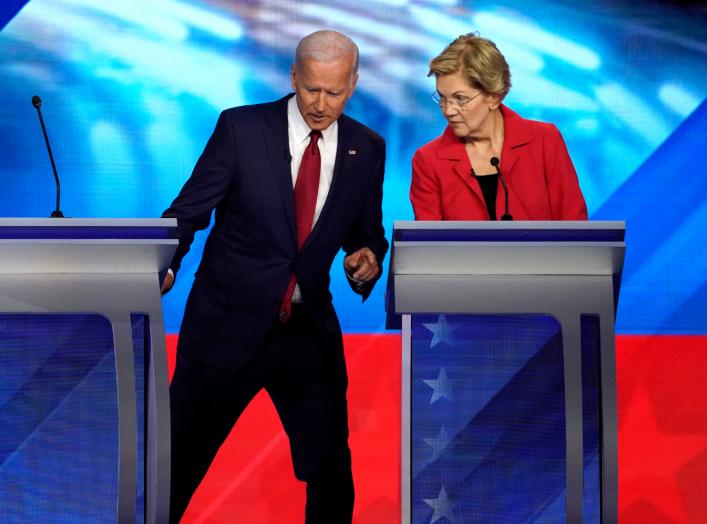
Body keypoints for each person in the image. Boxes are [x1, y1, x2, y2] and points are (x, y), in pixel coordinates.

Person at [160, 30, 388, 523]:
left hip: (307, 336)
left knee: (331, 472)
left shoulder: (367, 148)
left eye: (334, 92)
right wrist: (166, 262)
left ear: (353, 84)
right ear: (293, 77)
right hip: (226, 329)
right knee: (173, 467)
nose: (321, 105)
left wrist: (367, 256)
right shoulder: (241, 129)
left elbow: (366, 232)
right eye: (311, 89)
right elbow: (187, 212)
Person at [410, 33, 587, 220]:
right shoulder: (428, 161)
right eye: (442, 98)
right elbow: (429, 245)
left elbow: (574, 226)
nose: (448, 110)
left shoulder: (544, 141)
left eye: (460, 99)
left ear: (494, 96)